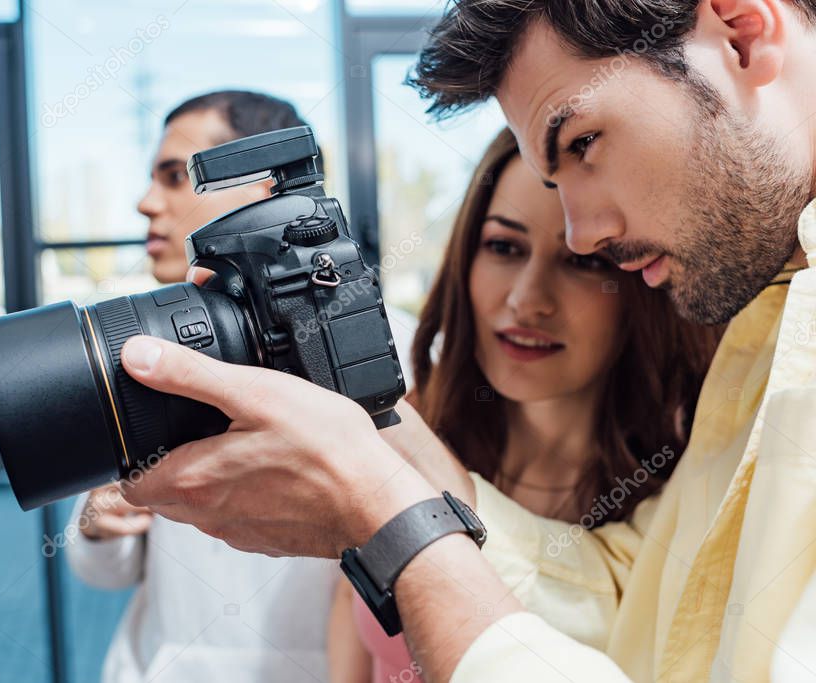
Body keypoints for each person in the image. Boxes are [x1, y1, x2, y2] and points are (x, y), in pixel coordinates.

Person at [112, 1, 816, 681]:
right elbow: (649, 605)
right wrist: (411, 473)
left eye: (584, 143)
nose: (581, 234)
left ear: (742, 35)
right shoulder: (776, 311)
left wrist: (393, 525)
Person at [326, 128, 721, 683]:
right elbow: (350, 618)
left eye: (584, 262)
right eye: (504, 248)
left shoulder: (686, 493)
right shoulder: (409, 427)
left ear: (642, 281)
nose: (526, 300)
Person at [66, 90, 416, 683]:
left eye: (176, 177)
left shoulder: (389, 347)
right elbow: (102, 572)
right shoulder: (139, 350)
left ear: (262, 186)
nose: (147, 202)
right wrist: (99, 523)